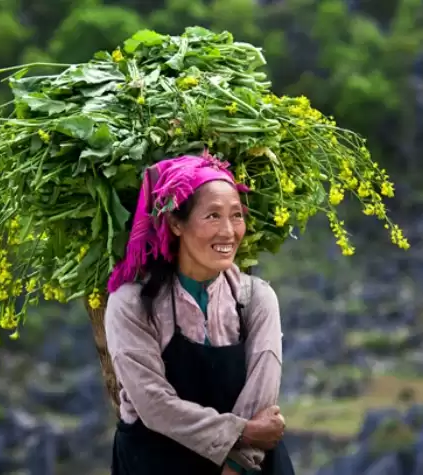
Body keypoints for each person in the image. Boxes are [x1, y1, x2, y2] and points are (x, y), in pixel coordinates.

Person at [104, 154, 295, 474]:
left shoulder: (256, 298)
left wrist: (238, 462)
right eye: (212, 216)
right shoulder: (131, 304)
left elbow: (262, 397)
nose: (229, 231)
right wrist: (241, 431)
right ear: (176, 223)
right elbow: (154, 405)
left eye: (236, 215)